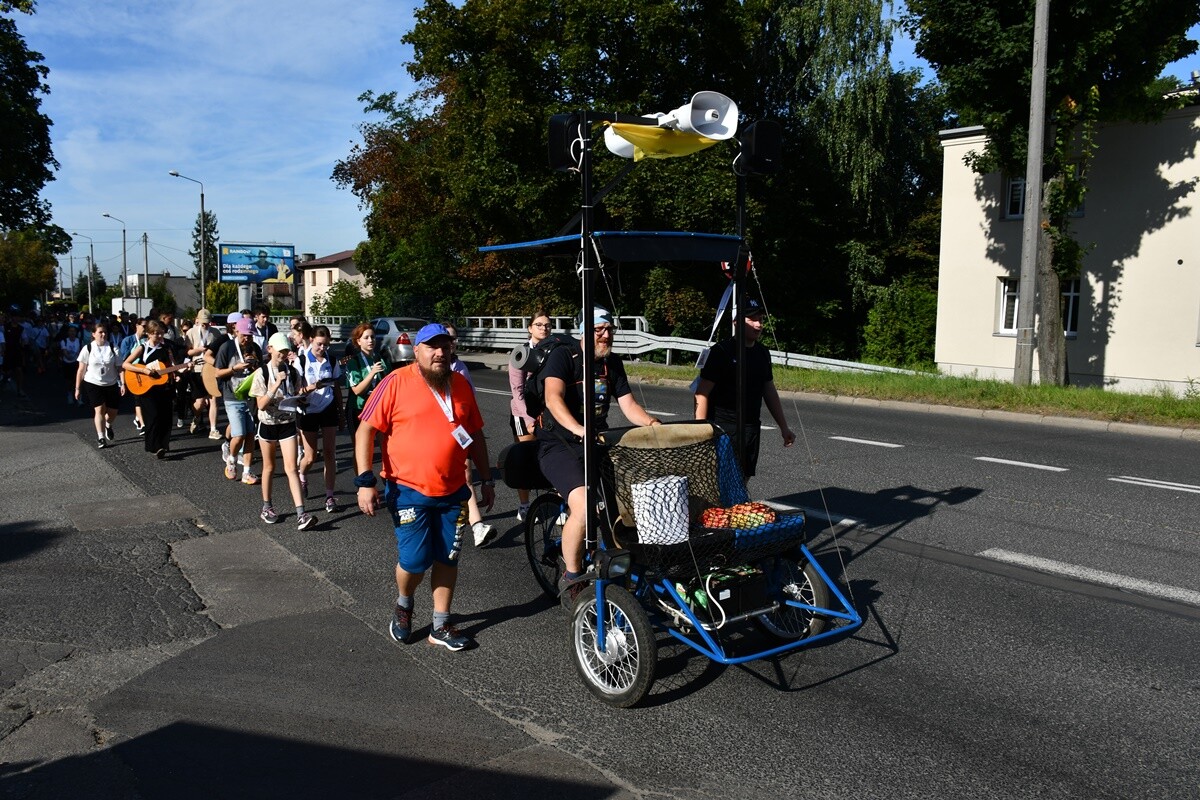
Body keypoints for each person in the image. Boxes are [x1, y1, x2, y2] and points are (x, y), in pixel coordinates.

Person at [355, 323, 494, 652]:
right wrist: (364, 481)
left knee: (448, 558)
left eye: (445, 346)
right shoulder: (396, 381)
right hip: (408, 490)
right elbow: (365, 431)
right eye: (432, 346)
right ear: (416, 351)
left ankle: (440, 624)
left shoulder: (460, 384)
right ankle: (404, 605)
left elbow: (473, 436)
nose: (440, 352)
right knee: (415, 561)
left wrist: (487, 479)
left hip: (453, 491)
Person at [536, 306, 661, 605]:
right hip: (558, 444)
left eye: (610, 330)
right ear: (584, 332)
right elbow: (552, 398)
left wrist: (654, 425)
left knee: (628, 501)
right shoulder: (563, 357)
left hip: (596, 440)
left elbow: (629, 406)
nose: (606, 336)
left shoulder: (612, 363)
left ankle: (621, 564)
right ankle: (572, 576)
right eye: (599, 330)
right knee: (584, 505)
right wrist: (578, 428)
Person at [693, 298, 795, 479]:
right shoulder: (721, 351)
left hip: (750, 427)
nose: (758, 325)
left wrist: (784, 427)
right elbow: (702, 392)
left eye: (761, 320)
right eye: (752, 320)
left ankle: (737, 507)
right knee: (721, 480)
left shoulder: (763, 353)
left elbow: (769, 391)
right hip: (723, 427)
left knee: (743, 478)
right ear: (736, 322)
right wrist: (700, 430)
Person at [250, 332, 318, 530]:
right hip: (268, 424)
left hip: (287, 422)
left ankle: (301, 514)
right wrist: (276, 384)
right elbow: (261, 405)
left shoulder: (293, 372)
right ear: (270, 349)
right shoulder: (261, 373)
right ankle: (267, 507)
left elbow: (296, 393)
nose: (283, 354)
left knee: (291, 468)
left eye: (286, 350)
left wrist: (302, 397)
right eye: (280, 351)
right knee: (269, 467)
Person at [443, 323, 497, 548]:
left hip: (459, 429)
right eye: (447, 339)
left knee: (466, 475)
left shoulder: (460, 367)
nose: (452, 343)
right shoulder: (429, 367)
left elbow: (470, 402)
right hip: (436, 434)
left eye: (454, 338)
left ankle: (477, 526)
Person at [507, 311, 551, 522]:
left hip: (547, 413)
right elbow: (518, 392)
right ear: (530, 328)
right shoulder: (521, 353)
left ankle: (552, 503)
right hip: (522, 414)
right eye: (539, 325)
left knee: (551, 456)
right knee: (524, 459)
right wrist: (528, 419)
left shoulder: (554, 350)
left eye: (547, 325)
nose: (544, 328)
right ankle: (524, 505)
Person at [296, 325, 344, 513]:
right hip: (308, 410)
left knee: (330, 453)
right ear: (311, 340)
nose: (322, 348)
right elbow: (296, 391)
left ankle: (329, 496)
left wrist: (340, 414)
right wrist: (310, 388)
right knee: (310, 456)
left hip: (328, 408)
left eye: (325, 345)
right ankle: (302, 476)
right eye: (318, 344)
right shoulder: (301, 361)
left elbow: (337, 388)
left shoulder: (332, 361)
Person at [214, 316, 263, 484]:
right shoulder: (226, 348)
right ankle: (232, 460)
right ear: (236, 331)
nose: (247, 339)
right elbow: (217, 372)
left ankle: (247, 472)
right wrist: (235, 368)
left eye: (250, 335)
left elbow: (261, 371)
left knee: (250, 435)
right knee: (239, 434)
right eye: (244, 335)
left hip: (251, 396)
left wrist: (255, 365)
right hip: (232, 396)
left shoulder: (254, 348)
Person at [123, 320, 182, 459]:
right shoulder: (142, 348)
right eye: (157, 334)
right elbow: (126, 364)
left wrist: (180, 371)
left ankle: (162, 445)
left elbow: (173, 366)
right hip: (147, 389)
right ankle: (155, 446)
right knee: (153, 416)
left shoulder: (166, 349)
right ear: (149, 334)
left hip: (164, 388)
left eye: (162, 333)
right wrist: (144, 370)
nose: (161, 336)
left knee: (166, 418)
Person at [75, 321, 124, 448]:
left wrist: (123, 383)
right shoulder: (88, 348)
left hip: (111, 383)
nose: (103, 334)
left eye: (105, 332)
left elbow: (120, 367)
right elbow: (81, 370)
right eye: (100, 332)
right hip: (93, 382)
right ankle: (101, 437)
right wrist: (77, 388)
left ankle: (108, 425)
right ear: (93, 334)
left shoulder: (113, 347)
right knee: (100, 410)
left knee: (113, 412)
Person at [344, 322, 391, 439]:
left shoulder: (381, 358)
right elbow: (357, 391)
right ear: (358, 341)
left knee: (384, 443)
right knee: (360, 448)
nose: (370, 340)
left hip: (378, 407)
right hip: (359, 408)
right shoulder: (353, 362)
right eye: (366, 338)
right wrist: (372, 373)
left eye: (372, 337)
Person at [184, 309, 218, 436]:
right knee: (200, 402)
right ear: (197, 320)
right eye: (203, 322)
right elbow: (187, 352)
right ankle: (196, 417)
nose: (205, 325)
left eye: (208, 322)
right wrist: (198, 350)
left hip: (211, 368)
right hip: (196, 369)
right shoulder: (191, 332)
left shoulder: (215, 332)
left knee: (214, 399)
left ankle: (213, 429)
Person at [119, 318, 147, 434]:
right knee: (138, 398)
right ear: (137, 326)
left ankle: (138, 418)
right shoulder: (128, 340)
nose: (145, 329)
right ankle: (142, 423)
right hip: (133, 371)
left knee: (144, 397)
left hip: (145, 372)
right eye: (143, 326)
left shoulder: (147, 341)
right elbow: (123, 359)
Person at [59, 325, 83, 405]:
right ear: (68, 332)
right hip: (67, 364)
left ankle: (79, 397)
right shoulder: (64, 341)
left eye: (74, 331)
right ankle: (69, 395)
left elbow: (81, 352)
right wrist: (69, 355)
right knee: (69, 381)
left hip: (77, 363)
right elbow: (65, 353)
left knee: (78, 380)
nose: (72, 333)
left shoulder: (79, 341)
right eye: (71, 331)